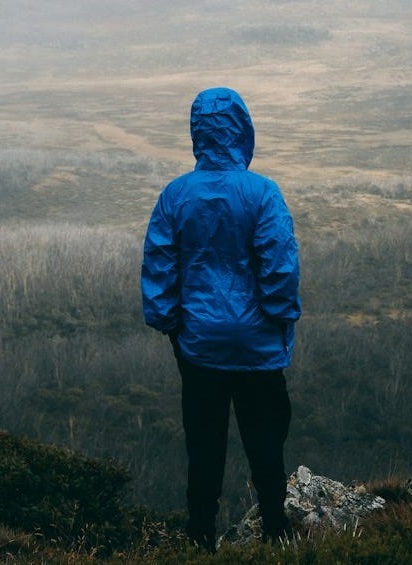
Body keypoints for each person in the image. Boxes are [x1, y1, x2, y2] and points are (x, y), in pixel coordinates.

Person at [141, 87, 301, 551]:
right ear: (243, 131)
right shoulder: (263, 193)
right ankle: (276, 532)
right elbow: (280, 268)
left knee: (204, 447)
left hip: (199, 347)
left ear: (197, 134)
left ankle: (200, 540)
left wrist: (172, 325)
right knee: (267, 443)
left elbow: (159, 267)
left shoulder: (176, 195)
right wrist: (278, 320)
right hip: (259, 347)